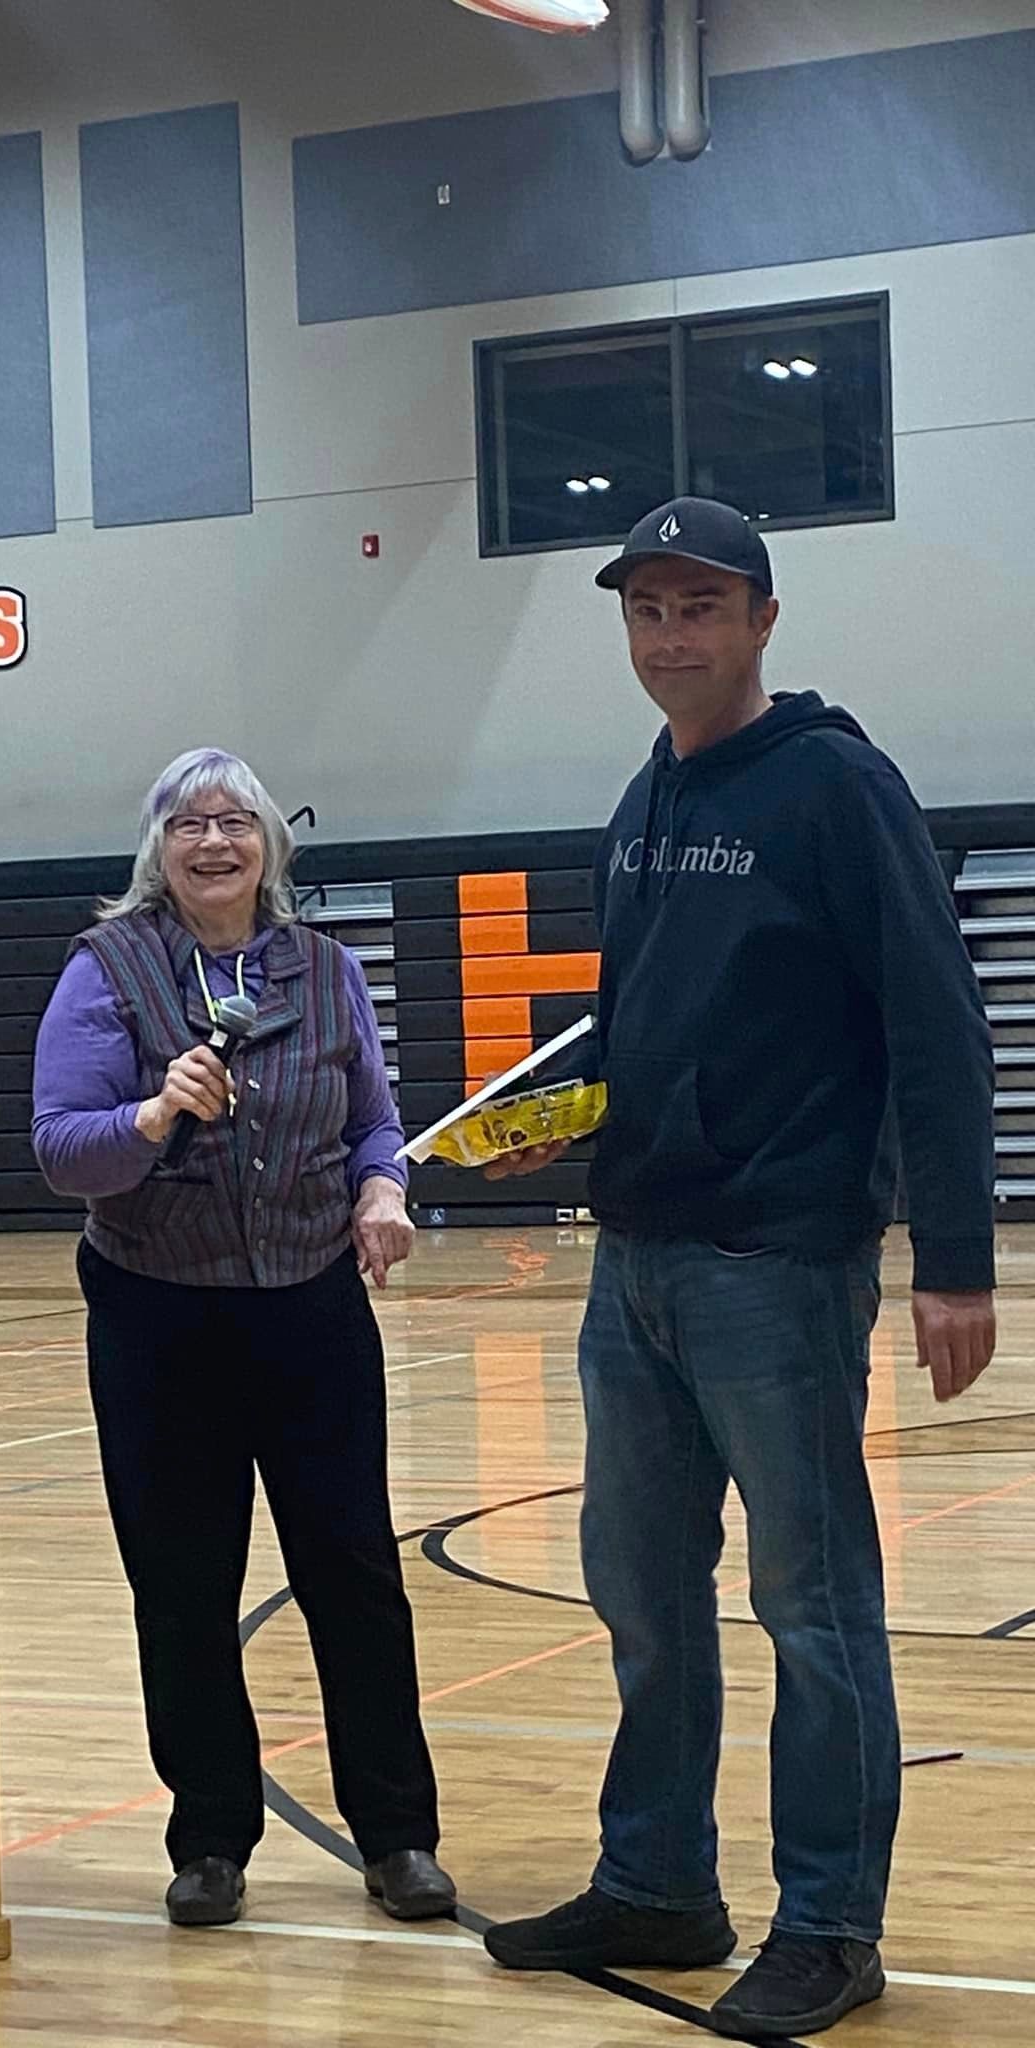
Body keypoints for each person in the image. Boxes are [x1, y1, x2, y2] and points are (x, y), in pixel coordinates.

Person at [481, 499, 997, 2039]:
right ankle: (658, 1884)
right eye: (645, 609)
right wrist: (554, 1127)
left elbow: (940, 1026)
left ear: (763, 619)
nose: (668, 636)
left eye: (700, 606)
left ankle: (832, 1925)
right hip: (633, 1261)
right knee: (643, 1592)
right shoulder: (646, 797)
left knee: (813, 1606)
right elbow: (638, 1030)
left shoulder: (838, 785)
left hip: (778, 1265)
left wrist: (955, 1260)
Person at [32, 747, 455, 1929]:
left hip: (312, 1309)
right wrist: (154, 1112)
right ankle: (211, 1837)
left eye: (236, 822)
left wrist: (381, 1192)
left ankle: (399, 1836)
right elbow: (63, 1147)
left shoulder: (324, 968)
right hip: (159, 1315)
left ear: (270, 843)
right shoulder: (106, 968)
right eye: (188, 824)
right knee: (182, 1584)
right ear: (156, 849)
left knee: (355, 1576)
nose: (213, 841)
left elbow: (374, 1118)